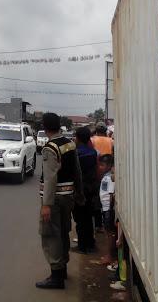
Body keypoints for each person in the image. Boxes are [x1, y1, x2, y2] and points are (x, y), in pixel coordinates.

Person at [36, 113, 83, 290]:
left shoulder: (50, 147)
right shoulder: (69, 144)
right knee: (63, 232)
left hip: (55, 199)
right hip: (68, 196)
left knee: (50, 235)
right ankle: (62, 270)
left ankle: (56, 276)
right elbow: (77, 170)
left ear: (44, 127)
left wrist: (46, 205)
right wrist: (79, 192)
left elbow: (50, 178)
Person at [72, 127, 98, 253]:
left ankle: (82, 247)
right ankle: (90, 245)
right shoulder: (93, 152)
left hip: (79, 190)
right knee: (88, 218)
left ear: (77, 138)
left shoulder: (76, 153)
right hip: (91, 189)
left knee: (80, 219)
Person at [98, 154, 116, 265]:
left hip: (108, 209)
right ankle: (109, 255)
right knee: (108, 232)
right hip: (105, 208)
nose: (100, 167)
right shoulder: (107, 176)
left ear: (109, 165)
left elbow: (110, 195)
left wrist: (109, 210)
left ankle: (110, 256)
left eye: (103, 165)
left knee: (109, 233)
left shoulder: (109, 177)